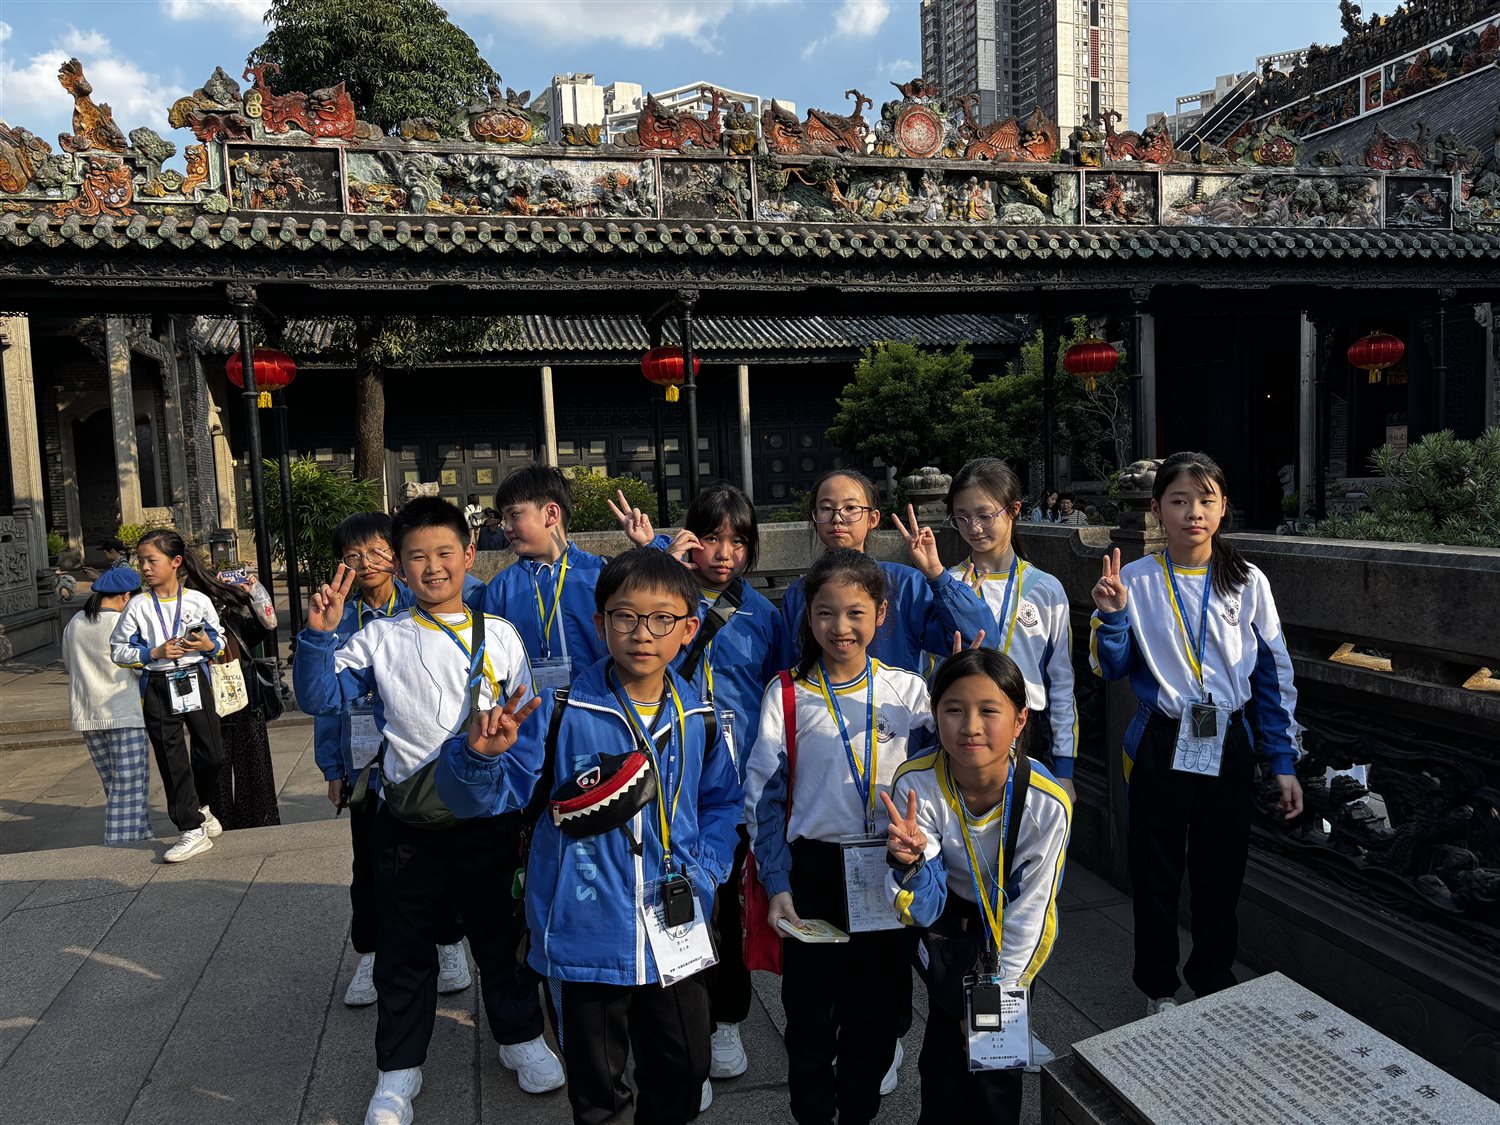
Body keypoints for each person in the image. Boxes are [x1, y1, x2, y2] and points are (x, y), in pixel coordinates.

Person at [440, 548, 743, 1125]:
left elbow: (721, 801)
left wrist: (705, 869)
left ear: (689, 628)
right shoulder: (559, 712)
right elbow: (484, 801)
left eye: (662, 619)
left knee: (685, 1067)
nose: (642, 633)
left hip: (674, 930)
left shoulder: (699, 716)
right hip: (584, 934)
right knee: (599, 1091)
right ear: (601, 623)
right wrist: (479, 759)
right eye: (625, 616)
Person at [295, 497, 559, 1124]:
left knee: (500, 937)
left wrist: (514, 796)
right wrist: (318, 637)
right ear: (399, 564)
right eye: (418, 556)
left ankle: (521, 1036)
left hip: (487, 818)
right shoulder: (378, 637)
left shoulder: (501, 634)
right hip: (406, 822)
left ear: (468, 555)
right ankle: (398, 1070)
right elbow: (320, 696)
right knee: (404, 947)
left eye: (445, 553)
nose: (433, 567)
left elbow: (530, 722)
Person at [1089, 451, 1303, 1015]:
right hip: (1161, 738)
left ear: (1224, 507)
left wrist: (1282, 760)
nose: (1193, 513)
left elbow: (1273, 675)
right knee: (1153, 870)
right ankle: (1158, 987)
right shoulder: (1133, 579)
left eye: (1206, 500)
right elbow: (1109, 668)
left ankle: (1212, 977)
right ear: (1156, 509)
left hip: (1227, 740)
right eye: (1179, 501)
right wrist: (1112, 617)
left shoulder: (1247, 580)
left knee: (1221, 869)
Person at [744, 549, 937, 1125]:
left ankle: (857, 1113)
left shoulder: (909, 693)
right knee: (808, 1016)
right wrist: (777, 882)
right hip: (815, 874)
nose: (840, 627)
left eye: (855, 612)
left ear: (882, 614)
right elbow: (763, 799)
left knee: (876, 1017)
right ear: (808, 616)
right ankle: (812, 1114)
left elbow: (943, 775)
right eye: (825, 613)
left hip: (887, 869)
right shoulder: (787, 693)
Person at [611, 481, 784, 1086]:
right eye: (711, 538)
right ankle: (673, 1028)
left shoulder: (765, 616)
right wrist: (659, 556)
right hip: (664, 767)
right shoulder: (665, 603)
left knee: (723, 904)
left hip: (730, 784)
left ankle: (726, 1019)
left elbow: (776, 695)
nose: (724, 553)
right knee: (658, 894)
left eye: (738, 541)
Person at [885, 648, 1072, 1124]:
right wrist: (909, 865)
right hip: (949, 921)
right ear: (935, 715)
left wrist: (1000, 997)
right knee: (944, 1051)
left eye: (989, 710)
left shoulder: (1046, 803)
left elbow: (1032, 910)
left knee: (995, 1065)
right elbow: (924, 908)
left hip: (1009, 923)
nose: (970, 726)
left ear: (1020, 719)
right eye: (954, 709)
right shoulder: (916, 784)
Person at [313, 513, 471, 1009]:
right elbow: (326, 704)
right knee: (368, 862)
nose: (366, 563)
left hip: (424, 758)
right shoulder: (341, 617)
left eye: (377, 551)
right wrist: (333, 768)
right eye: (353, 555)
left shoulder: (422, 604)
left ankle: (448, 942)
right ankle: (370, 951)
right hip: (364, 761)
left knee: (442, 853)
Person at [945, 459, 1078, 803]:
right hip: (966, 728)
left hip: (1029, 731)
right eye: (962, 517)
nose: (973, 527)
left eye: (985, 515)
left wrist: (1064, 768)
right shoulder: (948, 586)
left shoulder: (1046, 589)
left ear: (1014, 510)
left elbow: (1061, 681)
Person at [778, 469, 990, 678]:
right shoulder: (799, 592)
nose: (837, 518)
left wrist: (938, 576)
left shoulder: (906, 584)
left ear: (873, 518)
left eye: (850, 507)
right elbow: (788, 669)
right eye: (825, 508)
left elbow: (979, 640)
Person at [109, 528, 229, 863]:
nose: (145, 568)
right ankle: (190, 828)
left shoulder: (197, 601)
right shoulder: (138, 605)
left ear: (175, 562)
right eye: (141, 561)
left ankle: (201, 805)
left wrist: (208, 644)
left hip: (193, 679)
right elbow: (118, 650)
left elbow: (219, 641)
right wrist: (154, 652)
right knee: (171, 758)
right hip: (157, 685)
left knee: (213, 753)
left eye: (152, 560)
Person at [483, 464, 609, 687]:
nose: (507, 527)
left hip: (597, 704)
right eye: (504, 518)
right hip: (530, 707)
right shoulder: (501, 588)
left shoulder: (600, 574)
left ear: (551, 514)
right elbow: (491, 665)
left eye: (514, 515)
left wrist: (651, 546)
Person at [63, 566, 153, 845]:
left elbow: (69, 665)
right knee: (129, 786)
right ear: (126, 597)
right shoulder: (123, 625)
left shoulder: (75, 622)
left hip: (87, 714)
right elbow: (139, 666)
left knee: (114, 785)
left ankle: (141, 835)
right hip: (123, 712)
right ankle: (120, 845)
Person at [205, 567, 281, 831]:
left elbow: (268, 623)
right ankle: (219, 820)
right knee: (216, 767)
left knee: (255, 765)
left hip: (247, 700)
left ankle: (260, 818)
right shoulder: (195, 627)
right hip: (212, 707)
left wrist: (253, 592)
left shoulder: (235, 622)